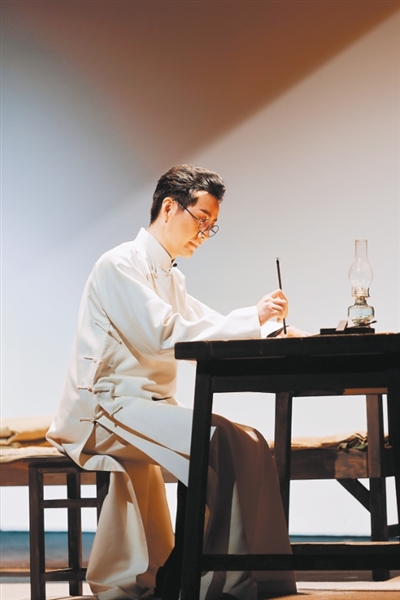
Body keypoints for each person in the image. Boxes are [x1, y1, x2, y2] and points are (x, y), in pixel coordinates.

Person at [47, 165, 300, 600]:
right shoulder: (118, 264)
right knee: (217, 438)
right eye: (201, 219)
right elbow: (164, 332)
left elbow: (207, 323)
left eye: (211, 226)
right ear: (169, 207)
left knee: (251, 439)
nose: (204, 233)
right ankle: (219, 583)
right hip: (106, 406)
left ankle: (259, 578)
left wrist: (270, 328)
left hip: (143, 406)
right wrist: (253, 319)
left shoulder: (170, 275)